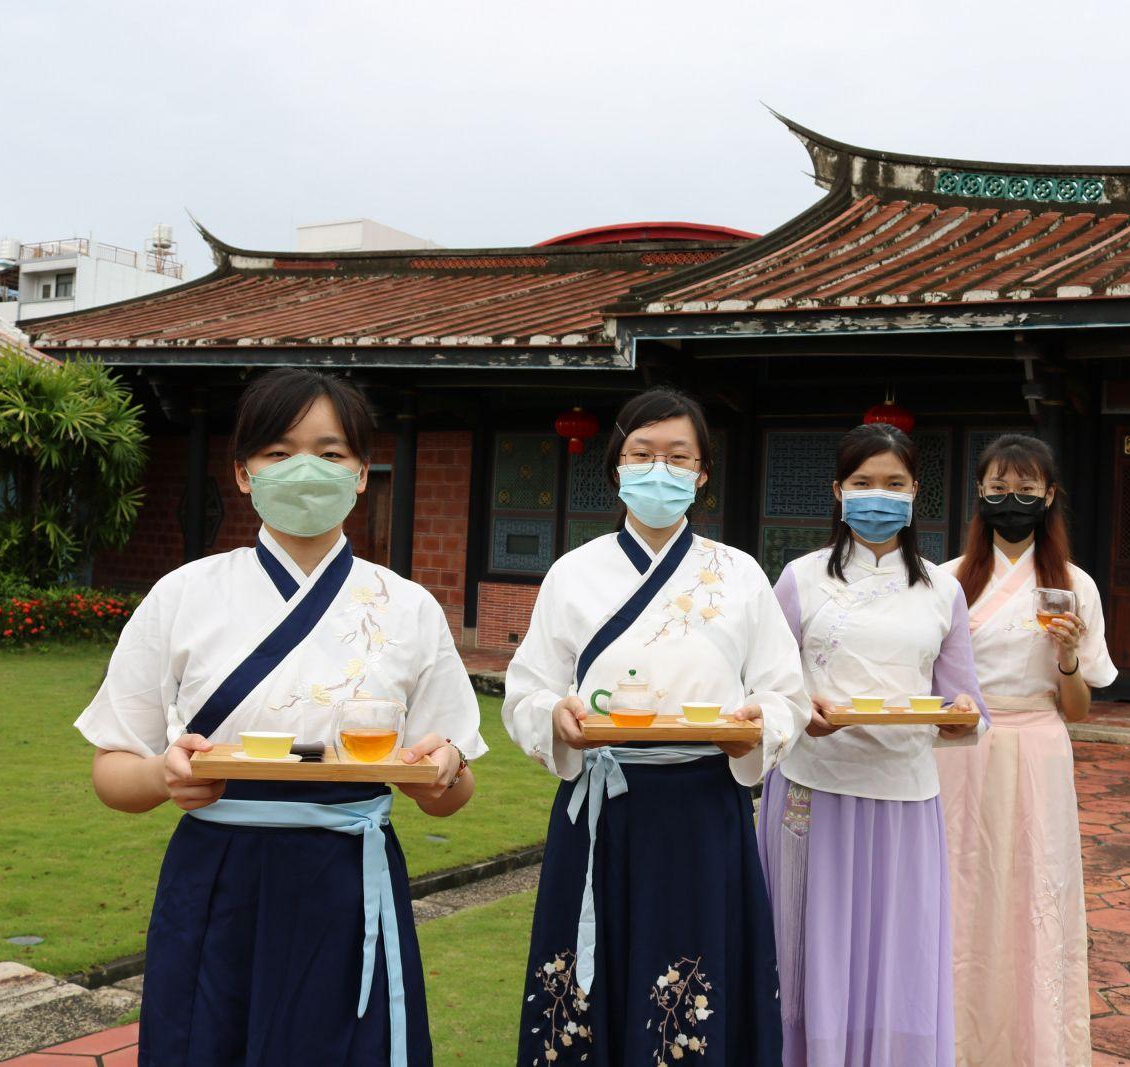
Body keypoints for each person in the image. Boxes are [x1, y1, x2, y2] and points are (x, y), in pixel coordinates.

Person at [76, 368, 484, 1066]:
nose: (304, 469)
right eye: (277, 452)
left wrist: (440, 772)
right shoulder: (184, 594)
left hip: (349, 878)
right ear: (243, 473)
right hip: (217, 878)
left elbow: (452, 788)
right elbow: (112, 770)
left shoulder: (407, 607)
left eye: (330, 453)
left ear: (362, 473)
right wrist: (163, 776)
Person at [503, 387, 808, 1067]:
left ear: (702, 474)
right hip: (601, 807)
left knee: (693, 978)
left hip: (702, 805)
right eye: (642, 454)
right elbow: (526, 690)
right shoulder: (573, 573)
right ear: (617, 466)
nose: (659, 470)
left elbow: (786, 693)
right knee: (585, 990)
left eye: (678, 456)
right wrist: (554, 716)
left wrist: (757, 723)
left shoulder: (739, 574)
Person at [758, 422, 987, 1067]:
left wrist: (963, 718)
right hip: (813, 790)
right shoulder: (800, 579)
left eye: (894, 483)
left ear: (915, 493)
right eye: (863, 483)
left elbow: (966, 700)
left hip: (905, 799)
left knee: (899, 953)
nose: (878, 496)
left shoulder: (943, 590)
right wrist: (800, 711)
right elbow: (765, 684)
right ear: (838, 491)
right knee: (808, 949)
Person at [934, 433, 1117, 1067]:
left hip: (1039, 746)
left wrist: (1067, 655)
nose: (1011, 499)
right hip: (960, 748)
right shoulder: (945, 581)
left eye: (1026, 489)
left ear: (1049, 495)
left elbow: (1078, 709)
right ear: (979, 493)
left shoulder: (1074, 586)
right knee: (960, 887)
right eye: (998, 488)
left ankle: (1034, 1046)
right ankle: (954, 1044)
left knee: (1036, 888)